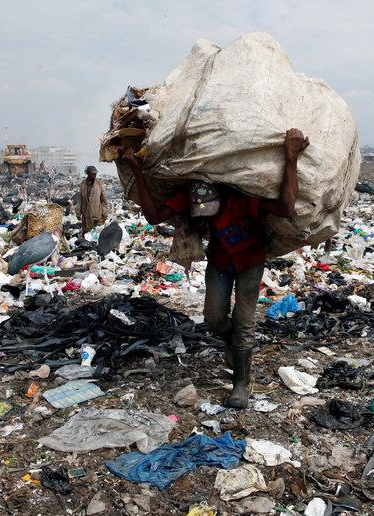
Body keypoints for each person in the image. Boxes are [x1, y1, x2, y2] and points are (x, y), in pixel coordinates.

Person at [122, 128, 308, 409]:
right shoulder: (194, 192)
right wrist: (136, 168)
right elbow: (154, 215)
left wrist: (290, 157)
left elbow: (285, 207)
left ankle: (241, 383)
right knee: (213, 318)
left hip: (250, 261)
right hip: (220, 260)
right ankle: (234, 342)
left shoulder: (243, 192)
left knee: (245, 321)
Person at [75, 165, 109, 234]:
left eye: (95, 173)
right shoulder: (82, 184)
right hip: (86, 216)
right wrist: (78, 213)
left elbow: (104, 201)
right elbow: (80, 200)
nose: (94, 175)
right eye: (93, 173)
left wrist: (104, 213)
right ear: (88, 173)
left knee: (97, 235)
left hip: (97, 215)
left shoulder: (99, 184)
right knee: (88, 235)